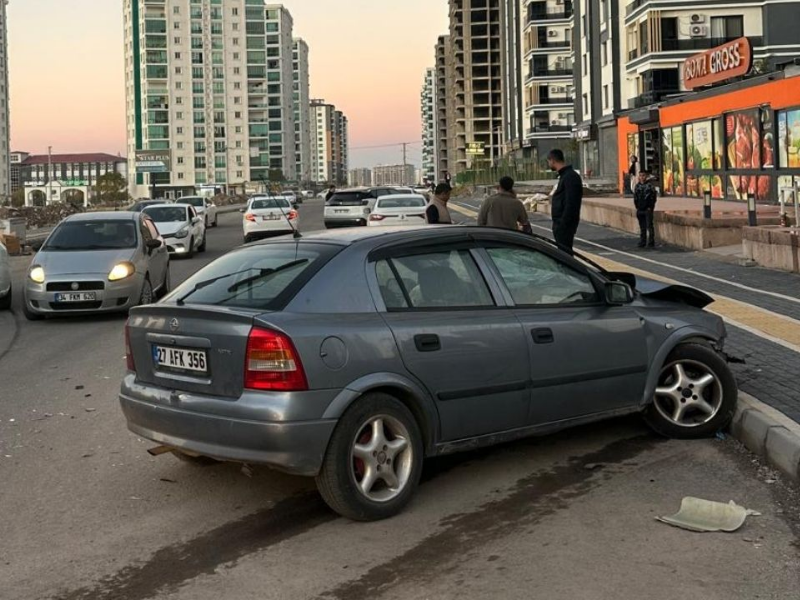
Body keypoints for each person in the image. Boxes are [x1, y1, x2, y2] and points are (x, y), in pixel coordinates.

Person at [547, 149, 582, 254]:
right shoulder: (565, 176)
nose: (549, 164)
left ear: (553, 161)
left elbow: (571, 203)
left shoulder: (570, 177)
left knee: (565, 254)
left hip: (564, 225)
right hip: (562, 224)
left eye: (549, 162)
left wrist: (562, 224)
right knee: (563, 253)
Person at [633, 170, 657, 248]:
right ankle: (642, 241)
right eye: (640, 176)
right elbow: (635, 197)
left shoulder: (650, 186)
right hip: (640, 209)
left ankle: (651, 242)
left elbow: (653, 198)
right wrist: (637, 206)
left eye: (643, 176)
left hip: (647, 209)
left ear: (646, 176)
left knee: (649, 226)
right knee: (642, 226)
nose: (642, 177)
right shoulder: (637, 186)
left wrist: (651, 207)